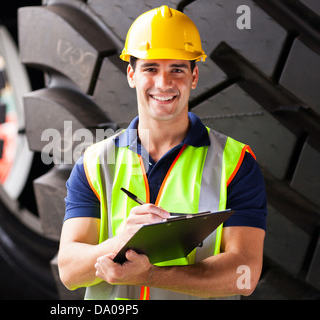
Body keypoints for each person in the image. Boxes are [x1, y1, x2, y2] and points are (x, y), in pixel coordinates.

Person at [57, 5, 267, 300]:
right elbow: (68, 271)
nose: (164, 83)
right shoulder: (94, 164)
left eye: (177, 69)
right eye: (151, 68)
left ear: (194, 77)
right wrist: (120, 242)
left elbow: (244, 275)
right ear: (132, 75)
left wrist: (151, 275)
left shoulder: (236, 164)